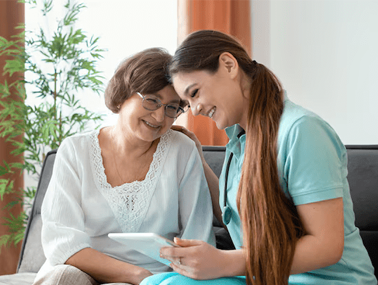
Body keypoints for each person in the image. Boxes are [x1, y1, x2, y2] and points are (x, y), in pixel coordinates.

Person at [141, 30, 377, 285]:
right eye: (188, 101)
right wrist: (196, 156)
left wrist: (225, 262)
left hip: (327, 281)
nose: (195, 110)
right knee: (152, 283)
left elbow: (326, 246)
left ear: (229, 65)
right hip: (266, 278)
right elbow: (234, 214)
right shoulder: (239, 141)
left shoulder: (302, 130)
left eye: (195, 92)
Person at [33, 48, 215, 285]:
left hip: (157, 277)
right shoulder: (75, 151)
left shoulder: (182, 150)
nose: (160, 117)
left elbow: (198, 237)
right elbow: (62, 243)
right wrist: (137, 275)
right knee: (63, 278)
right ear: (123, 95)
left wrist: (156, 280)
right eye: (152, 100)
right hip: (82, 270)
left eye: (171, 107)